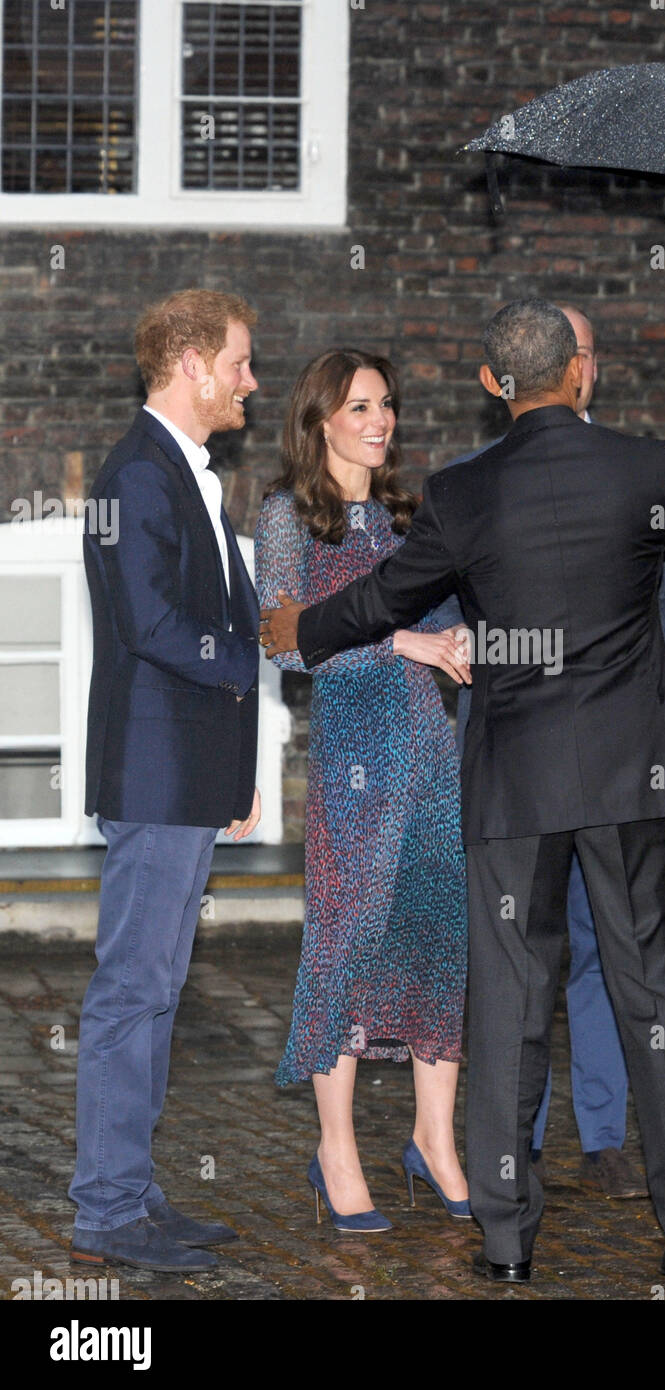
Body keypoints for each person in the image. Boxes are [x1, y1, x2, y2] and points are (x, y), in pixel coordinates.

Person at [261, 300, 665, 1284]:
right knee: (655, 995)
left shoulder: (462, 491)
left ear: (494, 385)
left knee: (511, 1005)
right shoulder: (645, 467)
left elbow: (387, 597)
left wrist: (298, 632)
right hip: (635, 776)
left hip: (516, 780)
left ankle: (506, 1242)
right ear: (580, 370)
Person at [436, 303, 665, 1199]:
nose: (578, 363)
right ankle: (516, 1153)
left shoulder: (645, 468)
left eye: (586, 348)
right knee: (520, 969)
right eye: (570, 351)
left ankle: (604, 1134)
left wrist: (622, 653)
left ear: (587, 367)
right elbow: (442, 616)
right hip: (524, 768)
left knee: (612, 963)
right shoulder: (471, 480)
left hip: (625, 760)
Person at [254, 349, 470, 1233]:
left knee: (436, 942)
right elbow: (281, 642)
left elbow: (443, 617)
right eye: (359, 408)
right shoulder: (285, 518)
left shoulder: (409, 515)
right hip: (353, 767)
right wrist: (404, 647)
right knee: (344, 946)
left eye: (386, 405)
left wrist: (456, 641)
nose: (379, 422)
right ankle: (335, 1154)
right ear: (319, 422)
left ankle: (435, 1139)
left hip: (431, 757)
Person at [71, 289, 262, 1273]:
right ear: (192, 364)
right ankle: (105, 1210)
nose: (250, 381)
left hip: (183, 772)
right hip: (155, 773)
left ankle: (132, 1194)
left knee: (154, 988)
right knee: (131, 989)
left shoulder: (180, 471)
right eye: (239, 362)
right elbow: (150, 623)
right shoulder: (140, 474)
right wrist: (246, 660)